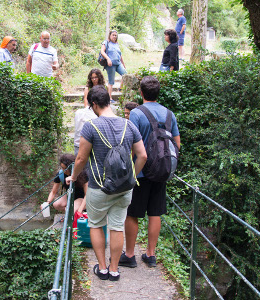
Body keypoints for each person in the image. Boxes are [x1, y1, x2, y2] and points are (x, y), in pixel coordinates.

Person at [66, 85, 147, 281]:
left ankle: (101, 268)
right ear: (109, 100)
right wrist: (131, 177)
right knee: (117, 226)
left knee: (96, 224)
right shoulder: (129, 125)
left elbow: (81, 160)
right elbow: (142, 155)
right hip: (123, 189)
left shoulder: (91, 126)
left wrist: (74, 177)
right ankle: (114, 270)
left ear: (94, 104)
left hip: (99, 187)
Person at [120, 76, 180, 268]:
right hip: (162, 171)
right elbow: (177, 145)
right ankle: (151, 254)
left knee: (132, 213)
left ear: (141, 92)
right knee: (155, 212)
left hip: (141, 172)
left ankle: (129, 255)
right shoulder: (170, 114)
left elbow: (130, 144)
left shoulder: (137, 114)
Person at [100, 30, 127, 101]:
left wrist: (123, 64)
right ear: (110, 35)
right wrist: (108, 59)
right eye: (113, 35)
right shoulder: (106, 43)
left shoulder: (116, 44)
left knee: (125, 75)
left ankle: (120, 89)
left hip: (118, 63)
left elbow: (120, 55)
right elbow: (102, 51)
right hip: (110, 64)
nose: (114, 36)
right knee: (111, 81)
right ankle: (109, 97)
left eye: (115, 35)